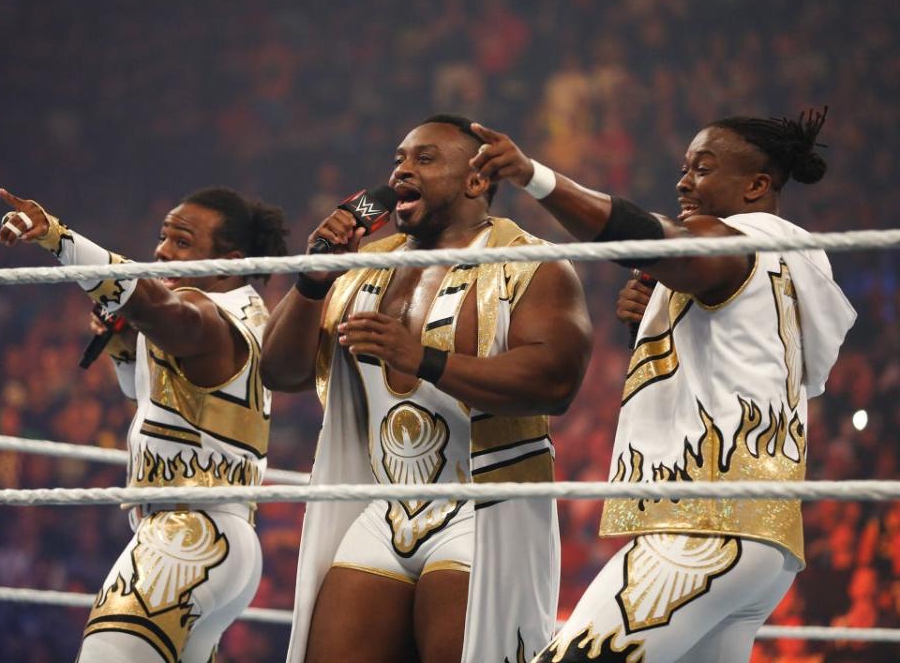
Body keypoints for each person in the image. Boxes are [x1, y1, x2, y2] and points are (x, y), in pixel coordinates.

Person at [469, 109, 857, 663]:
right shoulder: (785, 265)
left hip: (705, 530)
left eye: (703, 168)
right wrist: (646, 331)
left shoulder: (735, 244)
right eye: (685, 167)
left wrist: (537, 177)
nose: (684, 182)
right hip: (762, 540)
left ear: (756, 186)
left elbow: (642, 237)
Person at [261, 114, 593, 663]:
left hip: (481, 509)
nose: (401, 171)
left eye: (424, 159)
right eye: (399, 159)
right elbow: (280, 372)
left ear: (476, 180)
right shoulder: (359, 266)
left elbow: (553, 382)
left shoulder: (530, 263)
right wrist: (313, 277)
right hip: (384, 507)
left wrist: (425, 360)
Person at [0, 186, 288, 663]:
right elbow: (155, 392)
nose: (163, 251)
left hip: (186, 534)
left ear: (229, 260)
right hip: (219, 539)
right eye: (163, 237)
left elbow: (160, 308)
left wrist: (58, 238)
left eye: (182, 242)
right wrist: (124, 346)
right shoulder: (249, 313)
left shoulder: (209, 316)